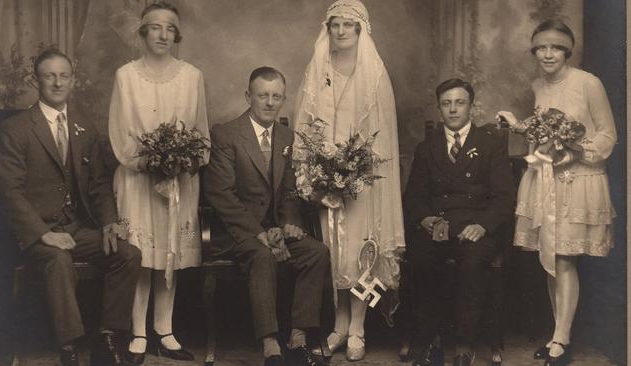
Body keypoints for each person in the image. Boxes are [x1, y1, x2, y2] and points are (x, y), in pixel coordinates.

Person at [0, 48, 141, 366]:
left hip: (76, 229)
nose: (57, 83)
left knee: (128, 254)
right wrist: (43, 234)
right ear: (37, 81)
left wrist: (107, 223)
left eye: (64, 76)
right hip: (39, 234)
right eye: (49, 76)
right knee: (59, 260)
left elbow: (99, 184)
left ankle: (107, 339)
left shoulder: (83, 127)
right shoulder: (17, 129)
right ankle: (69, 348)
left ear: (73, 80)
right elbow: (10, 192)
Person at [497, 19, 617, 366]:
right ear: (534, 51)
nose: (548, 54)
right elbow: (541, 137)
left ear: (567, 51)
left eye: (556, 48)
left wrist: (574, 151)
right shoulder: (538, 86)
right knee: (550, 258)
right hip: (546, 181)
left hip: (578, 181)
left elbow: (608, 134)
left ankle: (561, 340)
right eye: (541, 48)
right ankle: (557, 336)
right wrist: (519, 127)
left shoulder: (588, 84)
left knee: (564, 259)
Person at [292, 0, 405, 361]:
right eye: (335, 25)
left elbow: (383, 135)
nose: (340, 32)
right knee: (335, 254)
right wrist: (315, 173)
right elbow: (306, 128)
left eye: (348, 26)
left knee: (363, 256)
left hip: (363, 182)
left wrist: (357, 169)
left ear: (360, 31)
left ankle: (359, 326)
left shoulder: (373, 73)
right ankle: (339, 324)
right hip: (327, 182)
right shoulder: (317, 69)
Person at [204, 66, 330, 366]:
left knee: (317, 252)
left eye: (276, 96)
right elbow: (221, 194)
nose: (270, 103)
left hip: (275, 229)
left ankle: (298, 337)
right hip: (237, 233)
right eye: (263, 95)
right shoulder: (226, 134)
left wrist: (289, 224)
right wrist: (258, 233)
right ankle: (270, 343)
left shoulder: (287, 136)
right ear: (249, 96)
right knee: (263, 255)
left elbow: (289, 192)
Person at [108, 2, 209, 364]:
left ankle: (165, 331)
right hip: (138, 179)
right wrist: (149, 160)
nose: (163, 35)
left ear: (177, 35)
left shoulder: (192, 76)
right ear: (143, 32)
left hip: (178, 181)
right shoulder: (126, 76)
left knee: (169, 254)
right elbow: (120, 134)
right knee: (141, 256)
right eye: (156, 27)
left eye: (170, 29)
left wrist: (181, 160)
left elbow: (200, 132)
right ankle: (138, 333)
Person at [403, 79, 515, 366]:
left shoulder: (490, 144)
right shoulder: (426, 148)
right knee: (421, 259)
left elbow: (504, 197)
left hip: (475, 228)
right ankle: (428, 340)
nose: (453, 109)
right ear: (439, 108)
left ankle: (464, 343)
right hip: (437, 228)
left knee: (472, 261)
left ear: (471, 106)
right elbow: (414, 197)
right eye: (446, 103)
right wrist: (426, 218)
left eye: (460, 102)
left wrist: (483, 226)